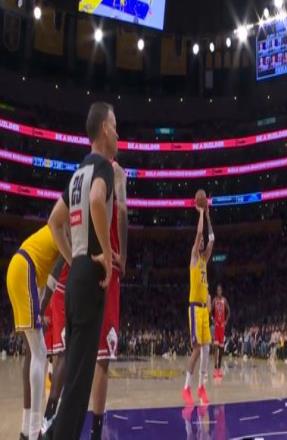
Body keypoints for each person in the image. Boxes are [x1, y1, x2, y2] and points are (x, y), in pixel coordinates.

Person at [47, 102, 118, 439]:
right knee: (79, 379)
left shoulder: (77, 173)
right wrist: (105, 253)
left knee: (75, 370)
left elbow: (54, 221)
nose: (117, 134)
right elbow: (96, 200)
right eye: (114, 126)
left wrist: (74, 259)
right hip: (90, 277)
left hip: (75, 277)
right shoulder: (103, 166)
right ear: (104, 128)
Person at [6, 225, 69, 440]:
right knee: (40, 353)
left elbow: (43, 279)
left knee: (32, 354)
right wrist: (41, 310)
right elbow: (53, 279)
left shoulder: (51, 229)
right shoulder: (64, 231)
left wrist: (39, 309)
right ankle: (34, 433)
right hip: (25, 271)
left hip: (17, 269)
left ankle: (26, 430)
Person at [90, 161, 128, 440]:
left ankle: (53, 420)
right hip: (107, 262)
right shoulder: (115, 171)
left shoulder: (83, 172)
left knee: (77, 354)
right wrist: (121, 255)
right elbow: (122, 211)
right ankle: (96, 432)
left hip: (81, 263)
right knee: (102, 358)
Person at [182, 204, 215, 406]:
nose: (202, 242)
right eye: (199, 241)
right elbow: (200, 233)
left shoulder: (204, 259)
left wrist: (209, 216)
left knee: (207, 348)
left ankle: (201, 387)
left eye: (202, 241)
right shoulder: (194, 257)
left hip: (204, 309)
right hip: (194, 308)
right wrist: (202, 212)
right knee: (196, 349)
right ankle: (186, 387)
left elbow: (212, 239)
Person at [40, 258, 70, 435]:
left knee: (60, 356)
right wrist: (43, 308)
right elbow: (55, 269)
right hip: (62, 293)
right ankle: (49, 415)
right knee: (61, 355)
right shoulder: (63, 249)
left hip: (60, 293)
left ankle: (52, 413)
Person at [212, 283, 230, 378]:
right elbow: (210, 312)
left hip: (222, 327)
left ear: (222, 291)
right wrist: (213, 320)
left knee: (221, 349)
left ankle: (219, 368)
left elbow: (229, 312)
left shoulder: (224, 300)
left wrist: (226, 321)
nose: (219, 291)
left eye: (220, 290)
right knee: (215, 348)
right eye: (217, 290)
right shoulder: (214, 300)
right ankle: (215, 369)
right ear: (216, 291)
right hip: (216, 326)